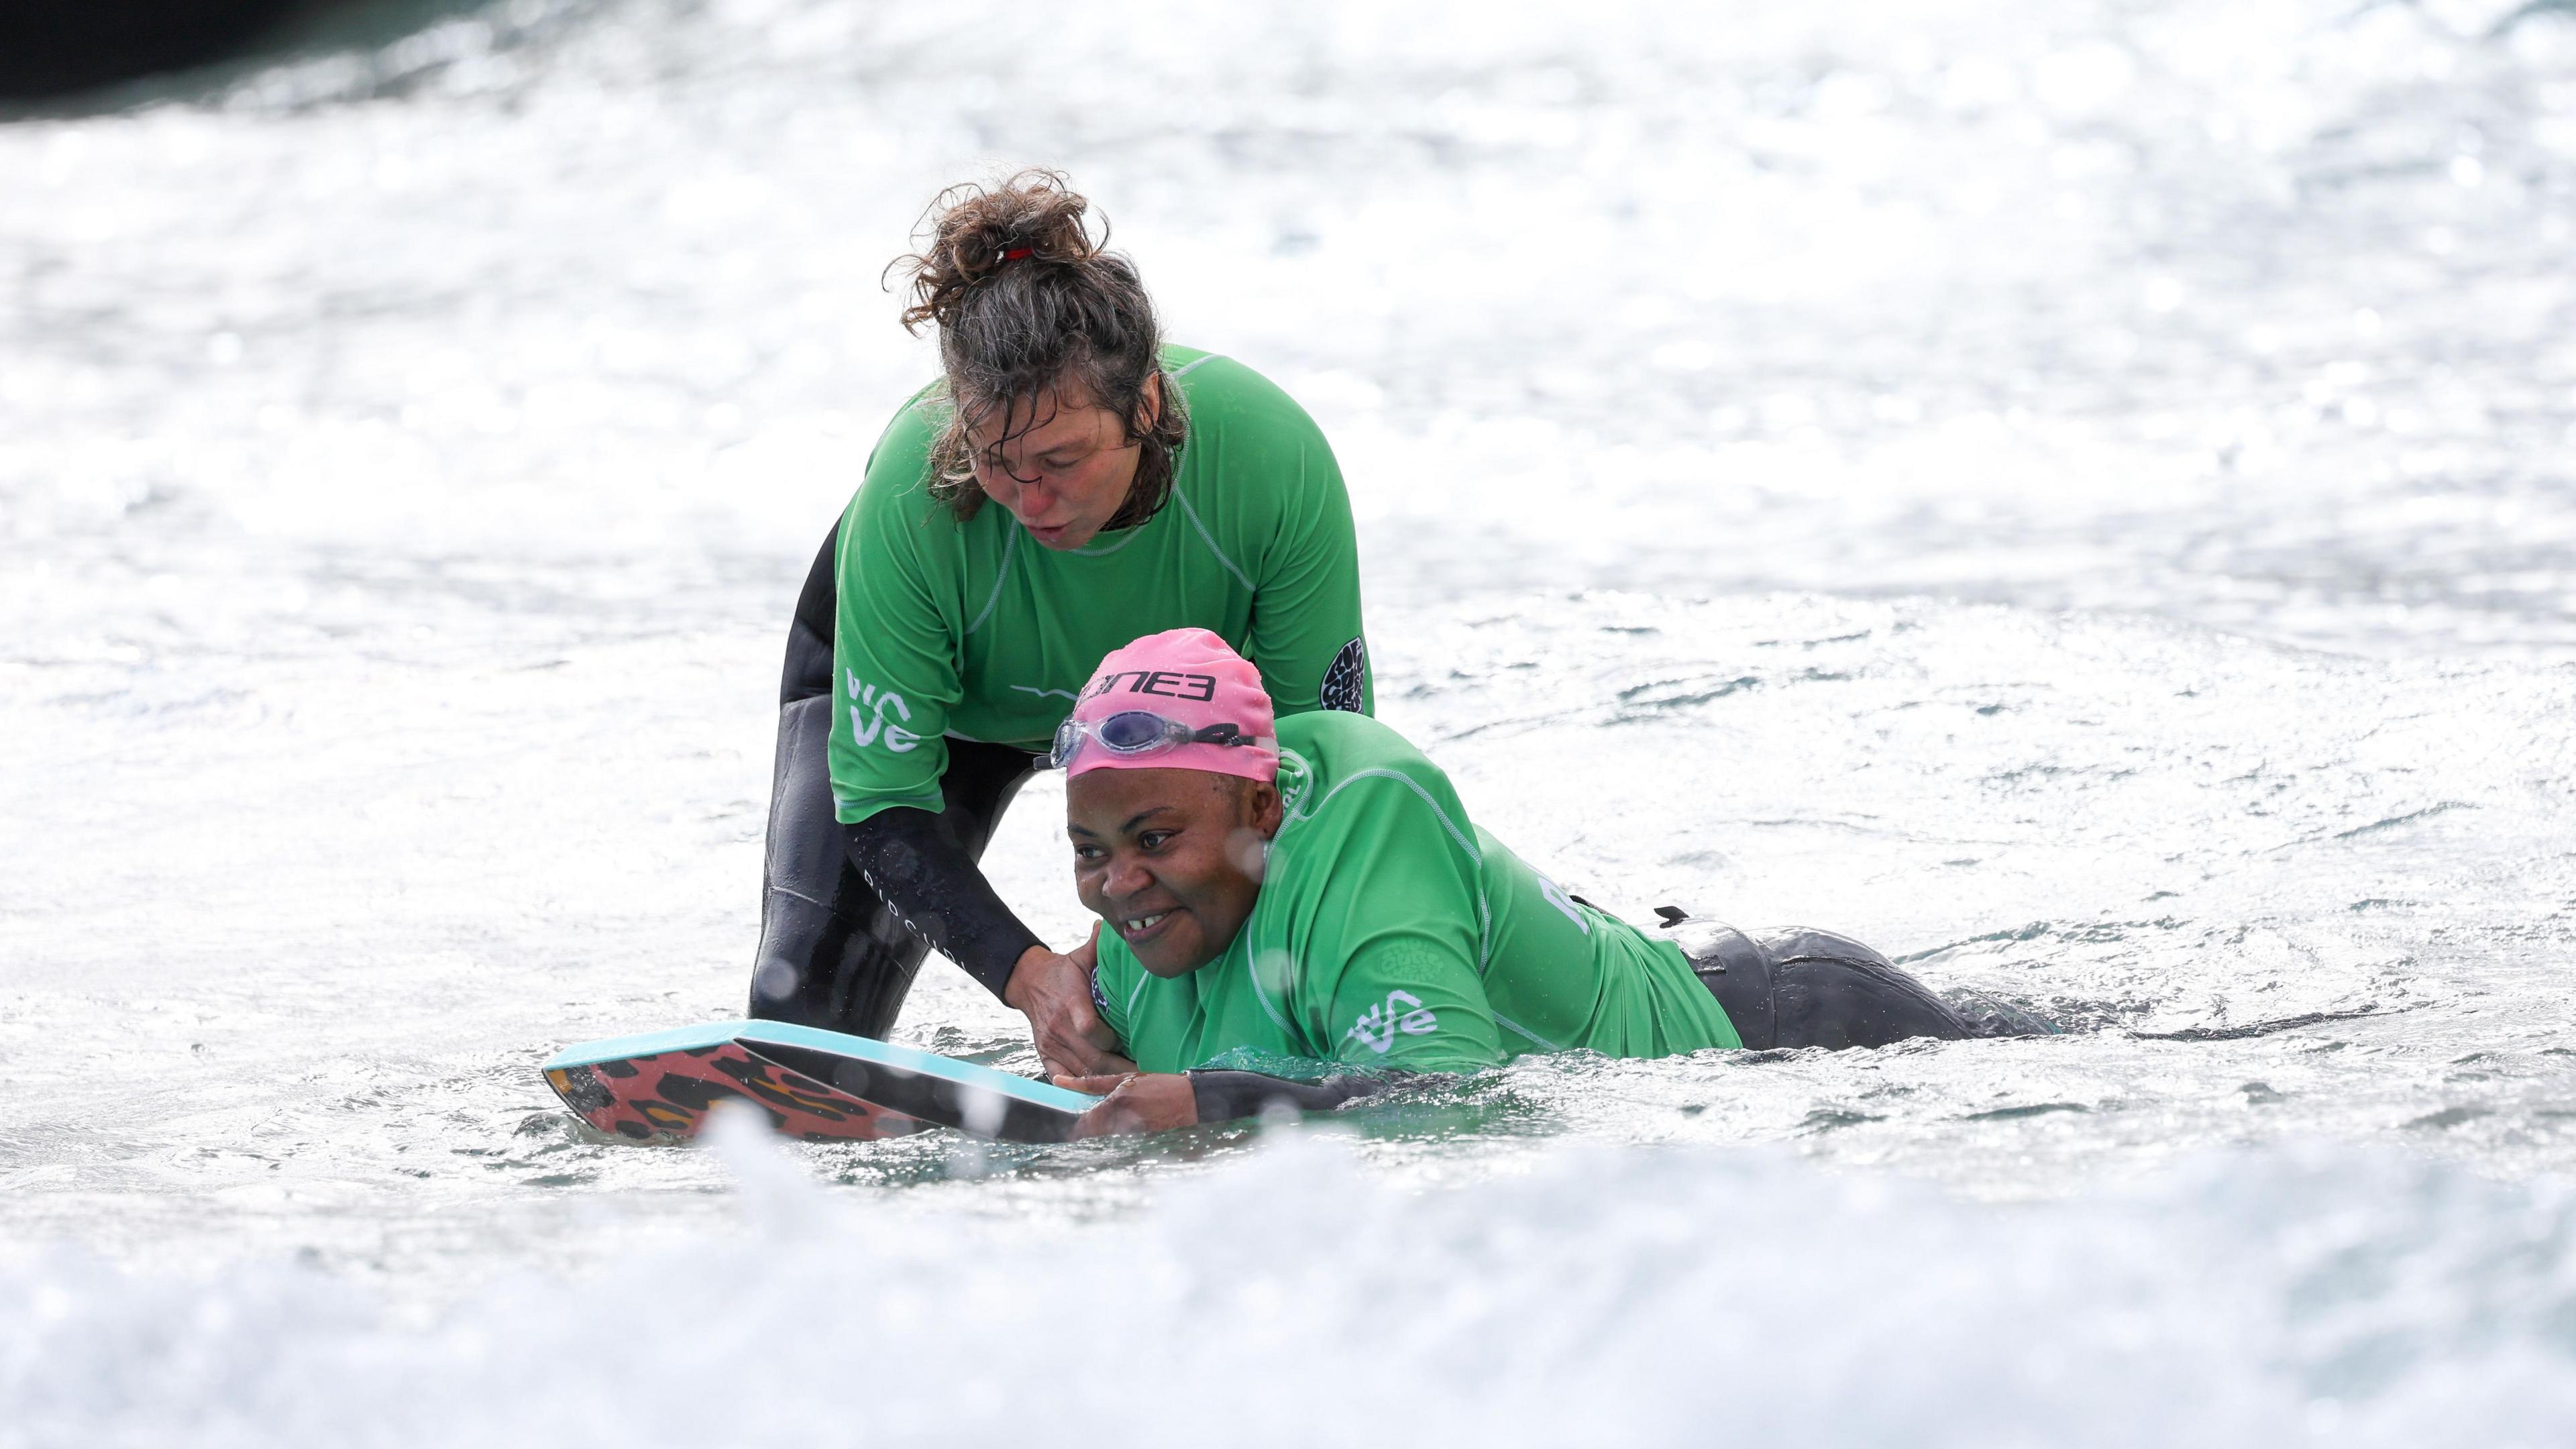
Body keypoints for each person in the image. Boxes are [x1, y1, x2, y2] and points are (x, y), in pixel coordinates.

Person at [749, 170, 1375, 1077]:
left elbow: (1319, 766)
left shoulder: (1267, 456)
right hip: (958, 716)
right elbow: (884, 804)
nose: (1028, 498)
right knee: (794, 1034)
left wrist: (1138, 957)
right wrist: (1034, 978)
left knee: (1255, 995)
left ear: (1146, 409)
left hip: (1168, 732)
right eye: (995, 461)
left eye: (1062, 459)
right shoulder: (908, 495)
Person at [1044, 629, 1979, 1136]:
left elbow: (1450, 1102)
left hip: (1792, 1024)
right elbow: (1124, 1102)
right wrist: (946, 1120)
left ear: (1260, 811)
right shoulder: (1133, 945)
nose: (1119, 886)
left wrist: (1208, 1101)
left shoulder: (1366, 866)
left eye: (1156, 839)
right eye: (1090, 851)